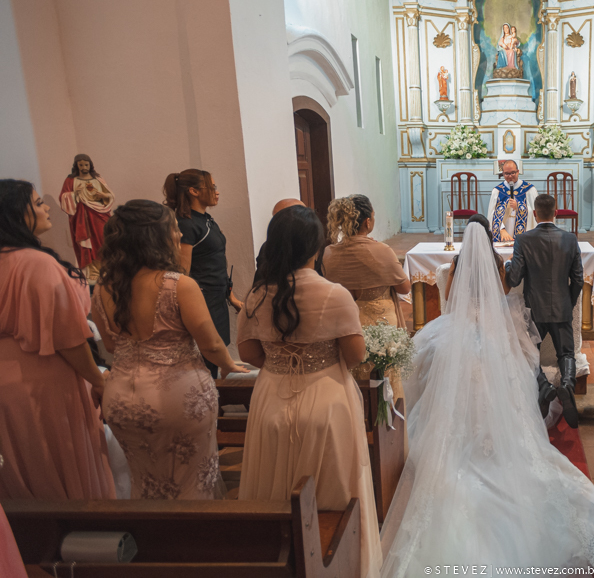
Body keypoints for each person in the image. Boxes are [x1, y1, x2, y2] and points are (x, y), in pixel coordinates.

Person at [379, 223, 594, 576]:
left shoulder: (452, 267)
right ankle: (516, 422)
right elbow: (502, 299)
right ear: (488, 241)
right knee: (504, 385)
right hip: (490, 334)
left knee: (441, 379)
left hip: (456, 333)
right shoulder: (499, 266)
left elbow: (453, 303)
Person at [237, 206, 382, 578]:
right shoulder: (334, 294)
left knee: (271, 490)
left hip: (271, 398)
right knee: (335, 497)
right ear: (315, 247)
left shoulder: (255, 296)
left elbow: (249, 353)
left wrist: (282, 359)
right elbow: (354, 355)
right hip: (327, 400)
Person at [93, 200, 247, 499]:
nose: (178, 236)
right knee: (191, 477)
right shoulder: (178, 285)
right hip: (177, 396)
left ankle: (155, 539)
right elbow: (211, 344)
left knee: (145, 476)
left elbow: (111, 344)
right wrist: (229, 364)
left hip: (123, 396)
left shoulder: (102, 288)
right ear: (154, 237)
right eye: (173, 229)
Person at [0, 179, 115, 500]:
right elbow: (68, 338)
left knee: (21, 478)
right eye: (37, 203)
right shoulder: (36, 263)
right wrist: (98, 379)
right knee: (62, 474)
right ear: (13, 213)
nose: (47, 207)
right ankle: (80, 541)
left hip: (5, 389)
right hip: (43, 382)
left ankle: (33, 546)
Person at [505, 194, 585, 427]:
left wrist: (509, 263)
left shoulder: (524, 239)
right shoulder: (570, 239)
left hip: (534, 310)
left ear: (534, 214)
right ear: (556, 213)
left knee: (528, 353)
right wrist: (567, 304)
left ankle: (545, 387)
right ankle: (568, 385)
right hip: (561, 307)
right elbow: (578, 279)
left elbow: (515, 277)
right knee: (566, 354)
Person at [163, 169, 242, 378]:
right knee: (206, 361)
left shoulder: (205, 219)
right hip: (202, 300)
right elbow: (182, 273)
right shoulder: (186, 224)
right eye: (212, 187)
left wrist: (231, 297)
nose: (217, 192)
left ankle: (216, 402)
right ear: (194, 191)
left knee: (215, 360)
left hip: (216, 297)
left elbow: (215, 261)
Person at [322, 194, 410, 328]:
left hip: (342, 325)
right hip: (380, 326)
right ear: (367, 222)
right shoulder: (382, 251)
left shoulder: (328, 253)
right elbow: (404, 288)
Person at [59, 153, 115, 283]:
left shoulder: (98, 178)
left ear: (90, 165)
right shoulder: (71, 180)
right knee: (90, 243)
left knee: (104, 239)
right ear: (76, 165)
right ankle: (94, 271)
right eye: (81, 164)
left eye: (86, 164)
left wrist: (103, 195)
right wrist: (74, 194)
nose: (84, 167)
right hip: (83, 216)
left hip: (100, 214)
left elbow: (110, 195)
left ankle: (108, 267)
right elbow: (63, 198)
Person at [486, 160, 538, 243]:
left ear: (518, 172)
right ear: (503, 173)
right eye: (507, 174)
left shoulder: (529, 190)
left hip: (523, 233)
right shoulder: (497, 191)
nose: (510, 176)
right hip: (504, 231)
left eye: (513, 173)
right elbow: (491, 214)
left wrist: (519, 207)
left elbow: (536, 214)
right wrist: (501, 229)